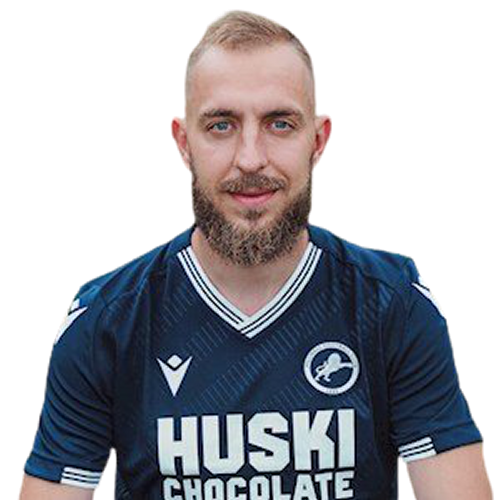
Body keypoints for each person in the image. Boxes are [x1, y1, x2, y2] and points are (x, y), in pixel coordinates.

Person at [20, 9, 493, 500]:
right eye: (221, 125)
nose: (250, 158)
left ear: (318, 140)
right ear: (184, 144)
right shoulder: (107, 318)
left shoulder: (392, 301)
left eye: (279, 124)